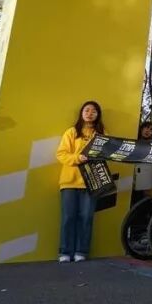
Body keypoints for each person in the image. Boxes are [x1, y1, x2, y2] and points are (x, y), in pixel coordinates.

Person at [55, 101, 105, 263]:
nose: (90, 113)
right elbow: (61, 154)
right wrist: (78, 158)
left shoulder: (102, 134)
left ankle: (81, 251)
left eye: (94, 111)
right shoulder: (72, 131)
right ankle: (65, 251)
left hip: (92, 182)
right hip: (69, 182)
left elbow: (106, 154)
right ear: (81, 113)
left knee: (86, 218)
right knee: (68, 218)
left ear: (98, 115)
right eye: (87, 110)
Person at [130, 121, 152, 208]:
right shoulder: (134, 140)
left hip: (147, 174)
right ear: (141, 129)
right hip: (133, 174)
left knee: (145, 200)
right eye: (146, 128)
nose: (148, 131)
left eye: (151, 129)